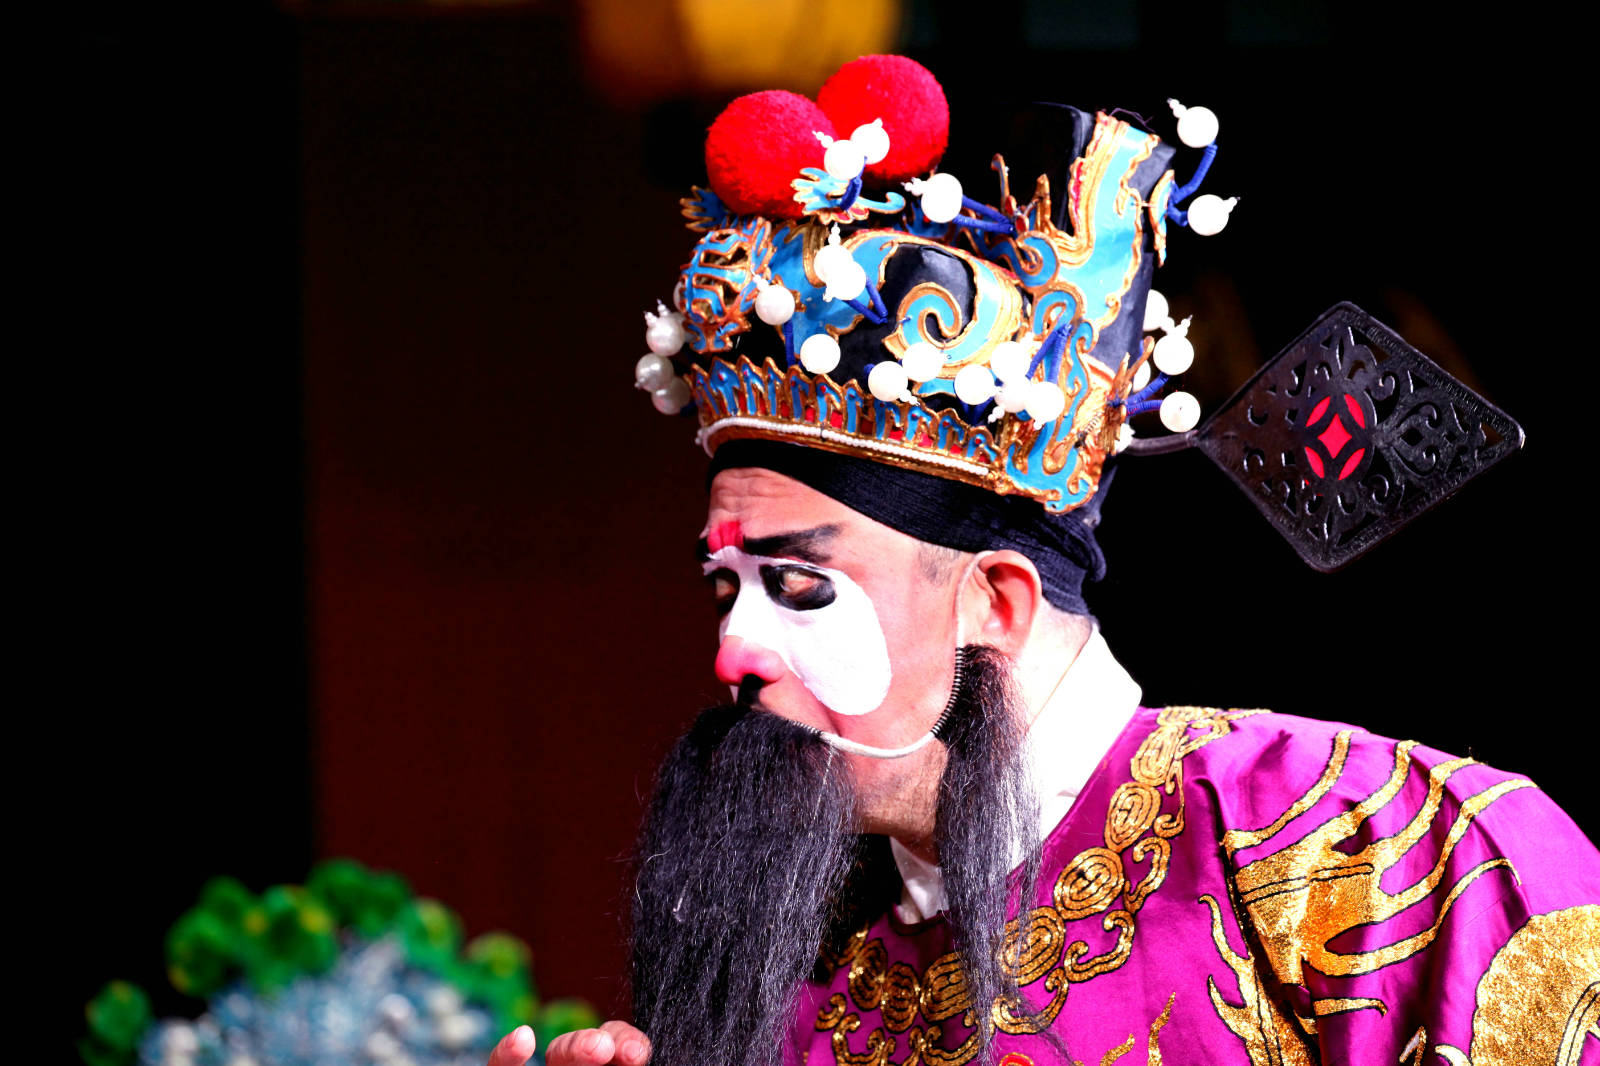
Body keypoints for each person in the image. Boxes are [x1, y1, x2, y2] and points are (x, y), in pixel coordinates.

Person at [491, 56, 1600, 1066]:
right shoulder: (806, 1011)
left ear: (996, 601)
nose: (733, 654)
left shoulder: (1383, 856)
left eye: (797, 586)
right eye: (723, 590)